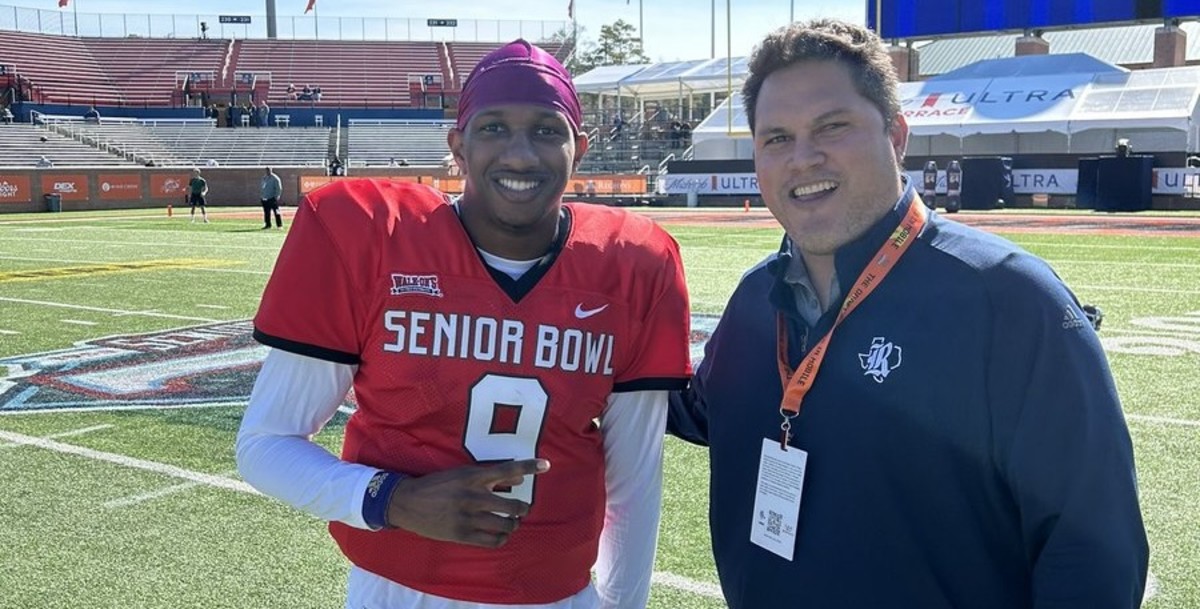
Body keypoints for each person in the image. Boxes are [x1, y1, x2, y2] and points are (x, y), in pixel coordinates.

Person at [667, 19, 1148, 609]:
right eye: (776, 139)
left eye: (833, 126)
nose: (803, 158)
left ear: (896, 135)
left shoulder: (1009, 301)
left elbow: (1093, 554)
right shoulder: (752, 302)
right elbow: (701, 409)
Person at [237, 38, 692, 609]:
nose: (521, 155)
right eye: (494, 128)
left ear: (580, 146)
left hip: (557, 595)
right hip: (397, 592)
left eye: (547, 131)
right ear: (458, 144)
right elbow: (265, 445)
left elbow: (634, 479)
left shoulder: (634, 264)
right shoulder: (371, 238)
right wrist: (391, 499)